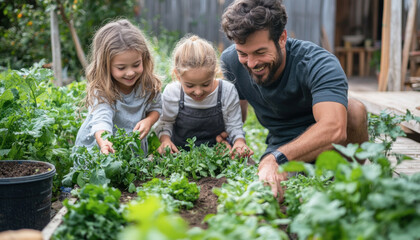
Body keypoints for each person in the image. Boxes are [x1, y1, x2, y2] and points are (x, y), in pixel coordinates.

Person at [219, 0, 369, 200]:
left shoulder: (318, 63)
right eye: (243, 53)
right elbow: (236, 116)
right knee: (269, 198)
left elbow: (334, 128)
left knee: (355, 111)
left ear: (282, 38)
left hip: (329, 149)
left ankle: (347, 185)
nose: (252, 63)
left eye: (260, 52)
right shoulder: (231, 61)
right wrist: (226, 137)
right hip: (280, 146)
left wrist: (277, 159)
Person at [155, 35, 253, 157]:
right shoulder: (173, 92)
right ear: (178, 75)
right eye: (190, 85)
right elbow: (165, 122)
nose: (198, 92)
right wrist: (165, 141)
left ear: (215, 72)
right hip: (179, 155)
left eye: (206, 84)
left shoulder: (226, 91)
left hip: (219, 155)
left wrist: (239, 142)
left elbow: (234, 126)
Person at [75, 19, 162, 155]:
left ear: (144, 58)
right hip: (101, 150)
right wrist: (104, 140)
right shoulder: (103, 90)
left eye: (136, 64)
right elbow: (101, 119)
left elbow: (156, 108)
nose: (130, 72)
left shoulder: (148, 84)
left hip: (132, 150)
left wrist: (149, 120)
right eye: (121, 68)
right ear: (105, 65)